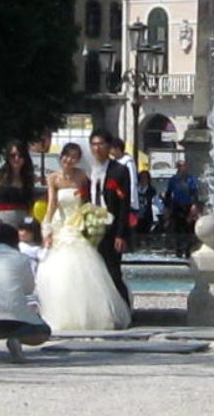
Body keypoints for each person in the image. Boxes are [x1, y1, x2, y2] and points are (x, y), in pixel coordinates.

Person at [35, 146, 131, 331]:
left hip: (78, 224)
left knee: (85, 269)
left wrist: (92, 219)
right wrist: (46, 227)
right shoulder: (53, 178)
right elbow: (52, 204)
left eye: (74, 158)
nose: (69, 161)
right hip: (61, 226)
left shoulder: (83, 176)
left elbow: (89, 200)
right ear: (61, 158)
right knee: (59, 271)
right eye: (66, 157)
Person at [0, 223, 52, 363]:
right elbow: (29, 289)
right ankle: (16, 340)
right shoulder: (22, 259)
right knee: (44, 332)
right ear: (15, 241)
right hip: (16, 324)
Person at [87, 129, 132, 306]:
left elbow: (124, 205)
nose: (97, 148)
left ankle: (124, 307)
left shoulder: (119, 171)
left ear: (109, 147)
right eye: (94, 144)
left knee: (113, 271)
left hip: (112, 227)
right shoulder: (88, 170)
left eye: (101, 144)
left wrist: (121, 234)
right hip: (91, 226)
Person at [0, 140, 36, 228]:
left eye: (20, 155)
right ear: (8, 157)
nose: (17, 158)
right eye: (13, 155)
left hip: (23, 226)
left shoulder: (28, 179)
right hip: (2, 223)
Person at [166, 159, 198, 258]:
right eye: (180, 166)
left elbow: (194, 193)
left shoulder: (191, 179)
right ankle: (178, 250)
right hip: (177, 206)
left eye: (184, 166)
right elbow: (168, 194)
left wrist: (194, 205)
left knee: (188, 229)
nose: (182, 168)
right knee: (177, 229)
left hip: (187, 206)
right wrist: (167, 208)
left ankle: (188, 250)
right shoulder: (173, 180)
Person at [111, 138, 140, 232]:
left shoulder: (128, 162)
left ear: (117, 149)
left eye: (111, 148)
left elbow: (132, 182)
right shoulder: (114, 163)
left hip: (127, 201)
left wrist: (131, 201)